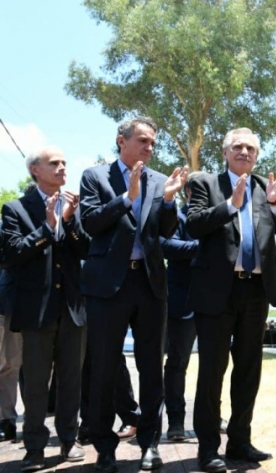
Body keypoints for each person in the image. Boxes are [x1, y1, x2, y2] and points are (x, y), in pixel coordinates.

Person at [79, 116, 189, 472]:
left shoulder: (160, 181)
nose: (149, 147)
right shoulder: (95, 177)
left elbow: (166, 231)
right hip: (107, 287)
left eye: (153, 142)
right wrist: (128, 197)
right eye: (143, 140)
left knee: (151, 368)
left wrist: (170, 202)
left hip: (150, 283)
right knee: (104, 369)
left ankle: (150, 444)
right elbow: (91, 223)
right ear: (121, 140)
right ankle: (105, 447)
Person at [186, 127, 276, 472]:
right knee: (212, 372)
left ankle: (239, 442)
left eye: (250, 148)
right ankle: (208, 448)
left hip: (256, 291)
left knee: (249, 370)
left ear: (256, 155)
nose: (244, 152)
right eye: (238, 147)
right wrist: (230, 205)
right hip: (218, 290)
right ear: (225, 152)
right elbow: (192, 225)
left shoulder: (266, 187)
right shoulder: (205, 183)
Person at [1, 146, 91, 470]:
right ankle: (34, 448)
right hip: (35, 311)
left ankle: (70, 440)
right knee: (35, 383)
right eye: (54, 163)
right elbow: (10, 255)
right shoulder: (15, 209)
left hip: (72, 309)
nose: (63, 168)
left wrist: (67, 222)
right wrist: (45, 228)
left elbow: (85, 249)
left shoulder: (74, 207)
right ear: (35, 170)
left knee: (71, 381)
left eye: (65, 162)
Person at [160, 172, 200, 442]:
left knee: (215, 365)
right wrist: (203, 248)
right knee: (177, 364)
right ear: (187, 193)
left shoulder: (219, 217)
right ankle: (176, 421)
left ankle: (211, 416)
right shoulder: (177, 217)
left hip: (216, 302)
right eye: (199, 191)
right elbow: (166, 245)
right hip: (181, 302)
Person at [0, 222, 22, 443]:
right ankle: (5, 419)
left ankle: (9, 420)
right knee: (6, 366)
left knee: (11, 366)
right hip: (8, 304)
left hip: (14, 305)